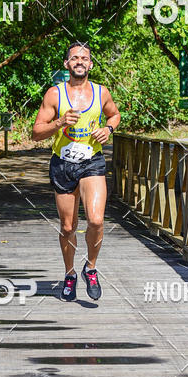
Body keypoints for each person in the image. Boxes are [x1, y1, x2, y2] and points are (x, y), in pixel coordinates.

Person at [32, 42, 120, 301]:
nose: (79, 61)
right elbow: (36, 133)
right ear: (66, 64)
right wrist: (59, 122)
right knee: (68, 226)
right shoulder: (54, 94)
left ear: (90, 64)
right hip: (63, 164)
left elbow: (114, 115)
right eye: (74, 58)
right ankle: (70, 274)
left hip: (92, 162)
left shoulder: (101, 92)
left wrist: (109, 130)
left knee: (96, 220)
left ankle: (90, 268)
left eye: (84, 58)